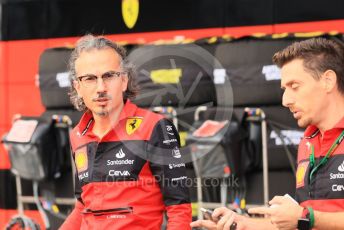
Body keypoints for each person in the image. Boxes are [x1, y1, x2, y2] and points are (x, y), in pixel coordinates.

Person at [190, 37, 344, 230]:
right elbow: (300, 221)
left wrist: (306, 217)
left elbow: (305, 218)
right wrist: (243, 224)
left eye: (294, 86)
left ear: (328, 81)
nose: (285, 100)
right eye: (284, 89)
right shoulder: (308, 140)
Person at [60, 34, 192, 229]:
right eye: (89, 78)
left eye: (108, 76)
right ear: (77, 87)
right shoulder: (77, 135)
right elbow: (83, 205)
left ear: (124, 80)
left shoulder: (155, 127)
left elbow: (179, 209)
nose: (100, 88)